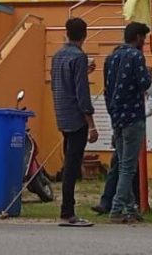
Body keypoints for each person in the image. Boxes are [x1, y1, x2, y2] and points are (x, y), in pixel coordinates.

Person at [92, 75, 152, 215]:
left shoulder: (134, 77)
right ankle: (125, 205)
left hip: (129, 125)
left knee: (125, 166)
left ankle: (116, 205)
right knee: (123, 166)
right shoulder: (118, 80)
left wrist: (145, 113)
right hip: (121, 126)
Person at [51, 18, 98, 227]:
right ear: (84, 34)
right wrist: (91, 123)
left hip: (61, 113)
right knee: (72, 165)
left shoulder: (58, 55)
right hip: (77, 117)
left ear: (66, 33)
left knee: (69, 162)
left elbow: (58, 83)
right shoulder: (79, 57)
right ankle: (67, 211)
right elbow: (81, 92)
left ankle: (66, 209)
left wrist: (84, 72)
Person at [104, 22, 152, 224]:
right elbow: (145, 83)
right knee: (128, 168)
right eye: (144, 38)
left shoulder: (111, 56)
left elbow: (107, 89)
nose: (144, 42)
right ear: (138, 37)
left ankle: (130, 209)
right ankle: (116, 209)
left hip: (117, 116)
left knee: (123, 163)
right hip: (133, 116)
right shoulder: (136, 56)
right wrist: (147, 72)